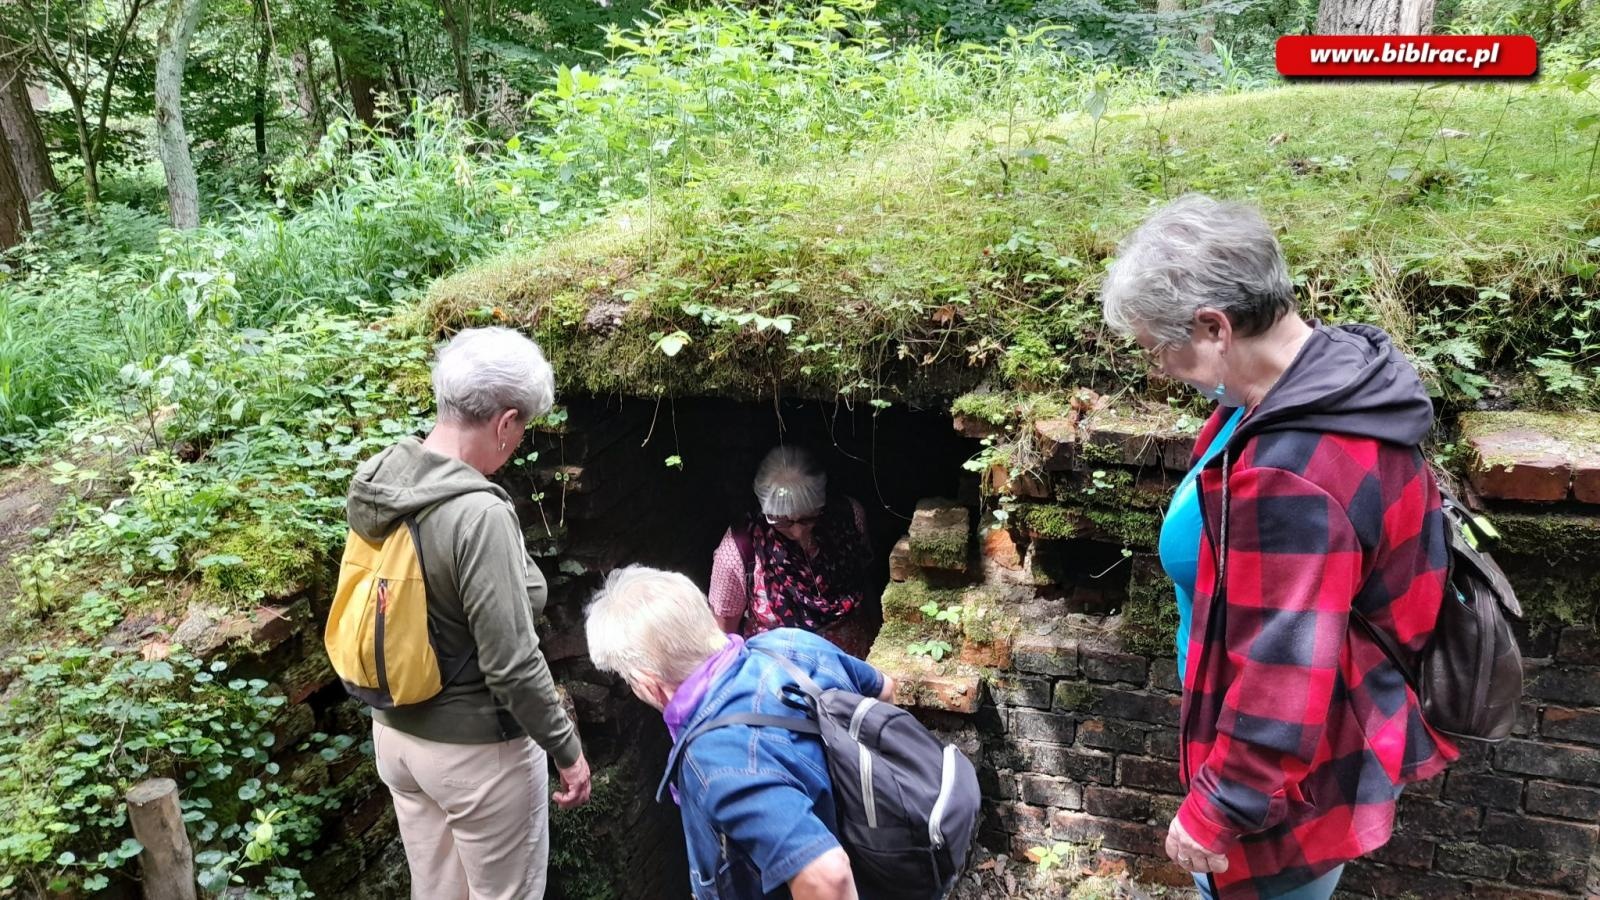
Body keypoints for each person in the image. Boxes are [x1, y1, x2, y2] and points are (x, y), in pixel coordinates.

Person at [1100, 195, 1457, 900]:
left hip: (1281, 783)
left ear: (1215, 327)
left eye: (1156, 348)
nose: (1158, 369)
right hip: (1287, 751)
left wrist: (1216, 810)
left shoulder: (1295, 470)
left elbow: (1283, 672)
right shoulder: (1318, 379)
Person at [345, 327, 591, 900]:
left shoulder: (383, 479)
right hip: (477, 754)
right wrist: (568, 752)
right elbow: (511, 664)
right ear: (506, 422)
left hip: (396, 739)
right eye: (523, 428)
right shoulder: (478, 514)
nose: (519, 441)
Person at [585, 565, 897, 900]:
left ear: (648, 683)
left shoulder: (715, 761)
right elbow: (884, 690)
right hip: (887, 858)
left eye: (628, 678)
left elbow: (829, 877)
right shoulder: (788, 643)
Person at [707, 446, 875, 657]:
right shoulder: (738, 550)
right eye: (782, 520)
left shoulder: (848, 518)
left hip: (855, 664)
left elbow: (865, 580)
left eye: (807, 518)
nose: (797, 532)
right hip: (781, 672)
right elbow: (724, 636)